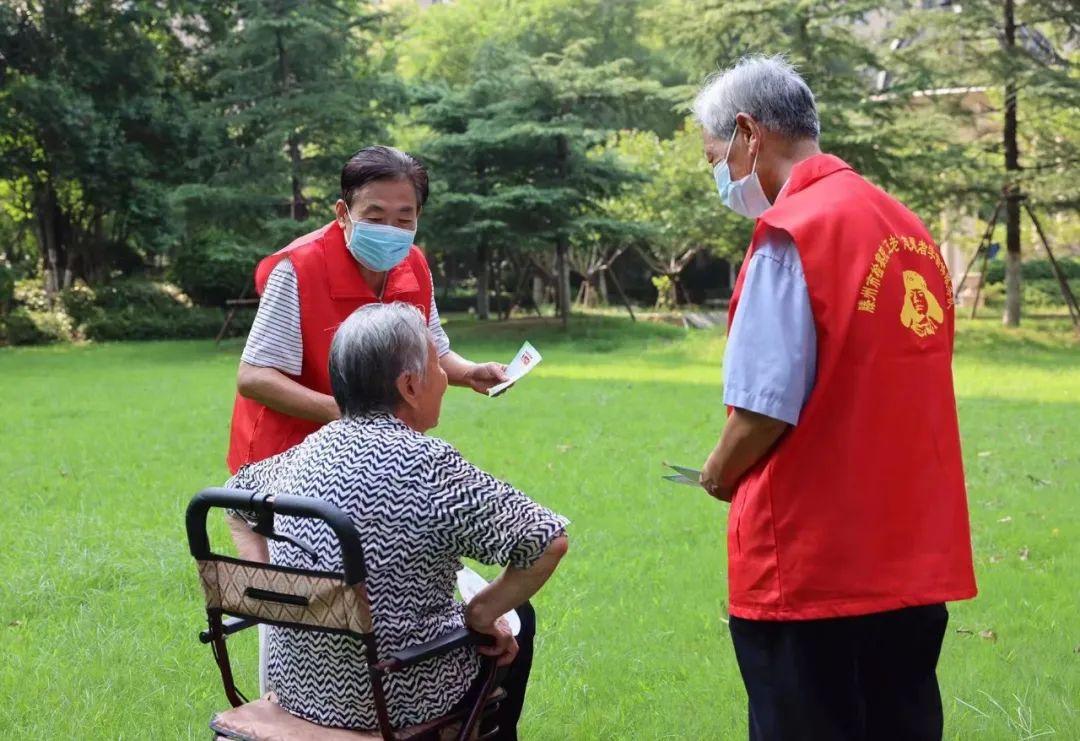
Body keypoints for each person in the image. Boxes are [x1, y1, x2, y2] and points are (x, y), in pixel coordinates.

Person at [691, 56, 977, 740]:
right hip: (909, 554)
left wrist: (718, 470)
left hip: (813, 566)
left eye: (715, 156)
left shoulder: (794, 234)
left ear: (747, 133)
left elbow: (764, 405)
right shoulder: (907, 228)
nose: (719, 174)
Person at [226, 302, 569, 737]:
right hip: (402, 694)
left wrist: (272, 585)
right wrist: (480, 615)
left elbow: (234, 495)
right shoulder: (430, 465)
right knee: (512, 625)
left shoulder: (303, 455)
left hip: (298, 689)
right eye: (437, 367)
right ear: (409, 385)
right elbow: (546, 541)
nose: (446, 378)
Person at [228, 145, 509, 475]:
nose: (390, 230)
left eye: (404, 219)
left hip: (370, 462)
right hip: (283, 463)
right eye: (375, 218)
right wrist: (349, 413)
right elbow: (254, 377)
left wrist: (469, 372)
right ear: (342, 213)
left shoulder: (414, 266)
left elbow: (431, 351)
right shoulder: (299, 270)